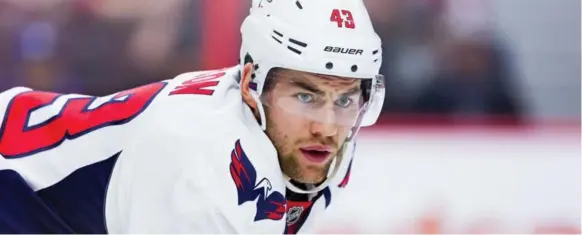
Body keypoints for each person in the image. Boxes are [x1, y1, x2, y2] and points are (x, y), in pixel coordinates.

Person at [0, 0, 384, 233]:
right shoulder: (198, 168)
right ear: (252, 85)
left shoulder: (310, 141)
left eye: (346, 100)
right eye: (305, 96)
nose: (327, 126)